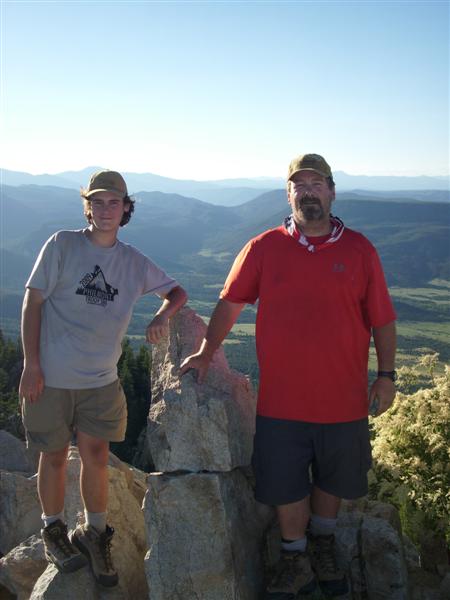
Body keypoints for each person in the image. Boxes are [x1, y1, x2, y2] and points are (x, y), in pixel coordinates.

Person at [180, 154, 396, 599]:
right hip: (282, 401)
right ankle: (295, 557)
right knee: (286, 480)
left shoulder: (360, 250)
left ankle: (323, 544)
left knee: (334, 478)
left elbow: (382, 319)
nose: (308, 191)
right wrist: (206, 351)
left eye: (317, 183)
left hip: (343, 399)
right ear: (288, 193)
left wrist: (387, 375)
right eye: (300, 184)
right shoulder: (262, 248)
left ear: (331, 192)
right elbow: (230, 304)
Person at [19, 169, 187, 587]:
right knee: (54, 456)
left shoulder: (133, 261)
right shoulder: (62, 244)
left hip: (101, 380)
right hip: (51, 377)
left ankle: (95, 534)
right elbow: (32, 302)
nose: (106, 209)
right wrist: (31, 364)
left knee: (96, 457)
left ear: (126, 208)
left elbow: (177, 292)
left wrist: (162, 316)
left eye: (114, 202)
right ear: (87, 207)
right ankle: (53, 530)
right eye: (97, 202)